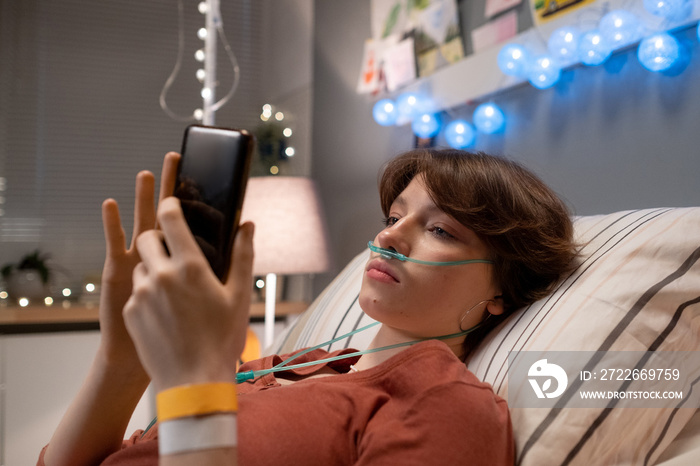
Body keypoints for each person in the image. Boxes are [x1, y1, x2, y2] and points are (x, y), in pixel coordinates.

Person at [38, 148, 576, 466]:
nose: (390, 236)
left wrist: (194, 387)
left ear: (502, 288)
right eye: (394, 215)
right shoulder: (294, 365)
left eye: (439, 229)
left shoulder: (446, 404)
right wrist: (121, 362)